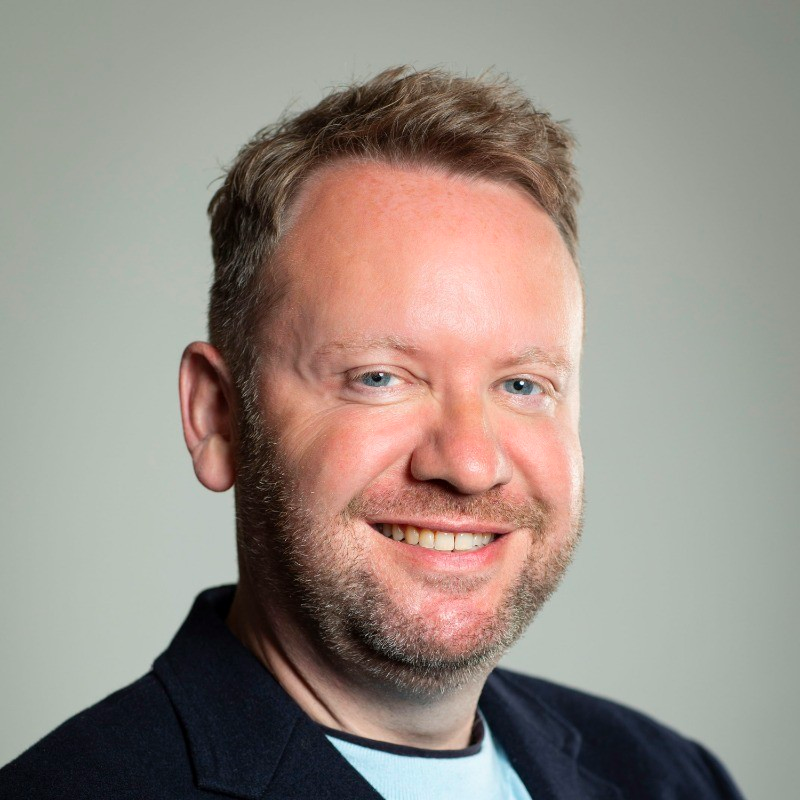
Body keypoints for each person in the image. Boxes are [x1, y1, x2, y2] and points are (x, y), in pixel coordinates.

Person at [0, 66, 745, 799]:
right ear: (216, 415)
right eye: (380, 377)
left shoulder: (673, 780)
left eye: (523, 385)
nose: (469, 462)